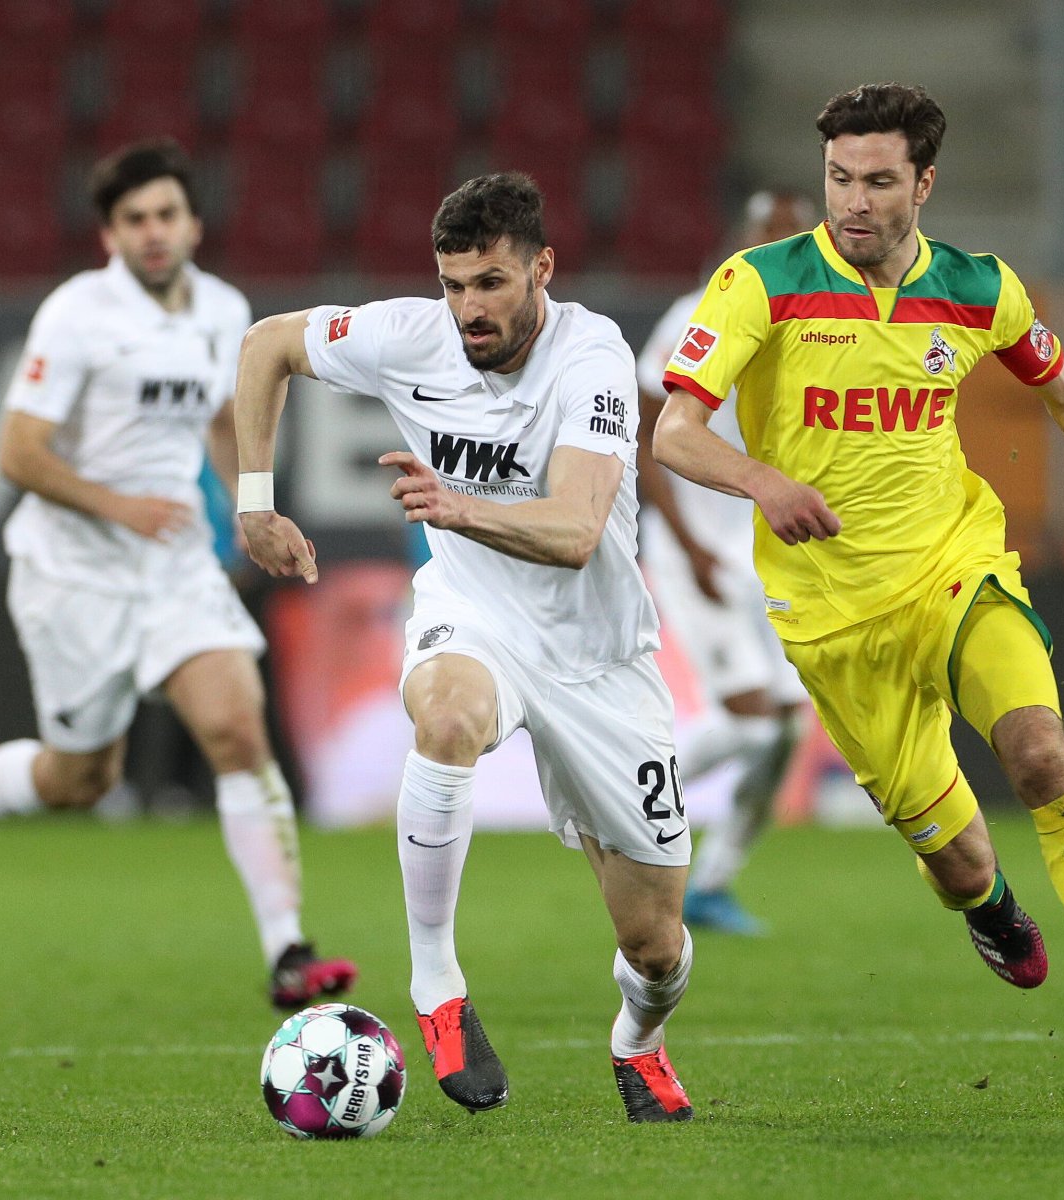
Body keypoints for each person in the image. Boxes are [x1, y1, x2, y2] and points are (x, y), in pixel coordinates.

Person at [652, 83, 1064, 1096]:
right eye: (838, 179)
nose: (853, 202)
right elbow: (675, 430)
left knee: (1041, 755)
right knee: (958, 866)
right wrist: (762, 479)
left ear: (924, 184)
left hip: (956, 571)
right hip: (830, 620)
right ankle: (993, 907)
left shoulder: (979, 288)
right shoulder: (760, 283)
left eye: (877, 181)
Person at [231, 173, 696, 1123]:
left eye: (490, 282)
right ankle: (436, 985)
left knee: (656, 947)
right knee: (444, 717)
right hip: (476, 618)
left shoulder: (592, 360)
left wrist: (456, 507)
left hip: (601, 658)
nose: (469, 308)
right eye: (453, 284)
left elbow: (573, 531)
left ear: (542, 269)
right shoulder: (410, 335)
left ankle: (638, 1042)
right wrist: (253, 500)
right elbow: (264, 344)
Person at [0, 141, 357, 1011]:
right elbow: (17, 453)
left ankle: (289, 949)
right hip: (73, 573)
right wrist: (119, 505)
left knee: (238, 732)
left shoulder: (225, 310)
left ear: (193, 225)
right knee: (81, 781)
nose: (153, 233)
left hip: (175, 565)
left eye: (167, 216)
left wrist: (247, 510)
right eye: (135, 219)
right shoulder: (76, 314)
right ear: (110, 233)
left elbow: (226, 419)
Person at [634, 189, 818, 937]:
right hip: (697, 552)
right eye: (767, 232)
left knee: (789, 730)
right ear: (742, 240)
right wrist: (686, 542)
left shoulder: (817, 331)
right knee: (748, 724)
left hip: (764, 555)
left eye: (792, 233)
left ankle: (711, 884)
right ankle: (617, 792)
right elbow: (650, 433)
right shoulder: (693, 315)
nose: (780, 243)